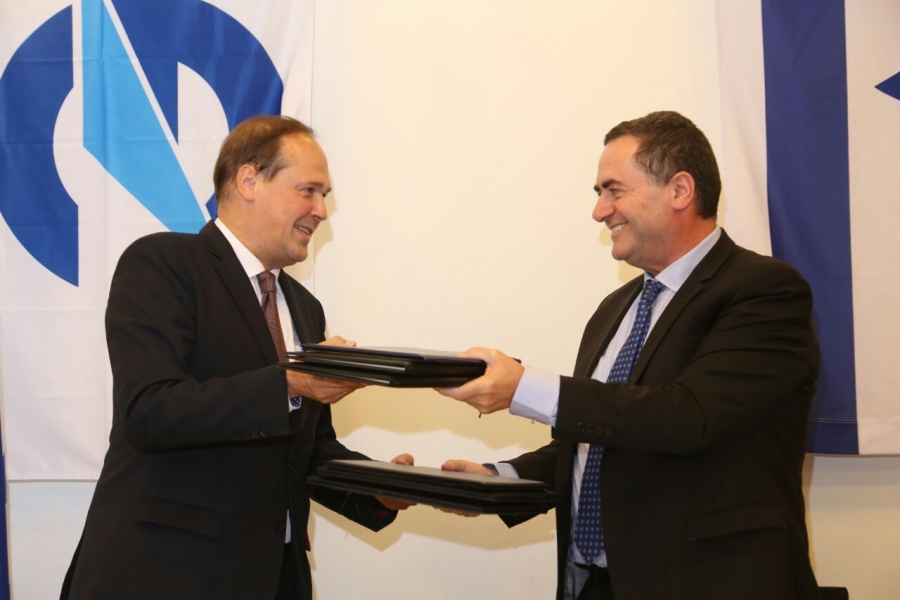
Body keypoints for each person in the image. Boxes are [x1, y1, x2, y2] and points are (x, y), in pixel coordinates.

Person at [438, 111, 822, 600]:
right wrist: (502, 481)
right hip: (594, 585)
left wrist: (523, 388)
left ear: (680, 191)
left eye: (613, 190)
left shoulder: (765, 290)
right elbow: (605, 441)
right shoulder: (614, 309)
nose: (599, 211)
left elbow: (686, 417)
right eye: (599, 193)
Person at [60, 115, 412, 600]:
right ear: (249, 181)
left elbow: (305, 450)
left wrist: (379, 488)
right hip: (164, 576)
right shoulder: (162, 263)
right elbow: (150, 411)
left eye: (324, 195)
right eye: (308, 191)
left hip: (275, 579)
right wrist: (290, 382)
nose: (321, 211)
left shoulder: (306, 308)